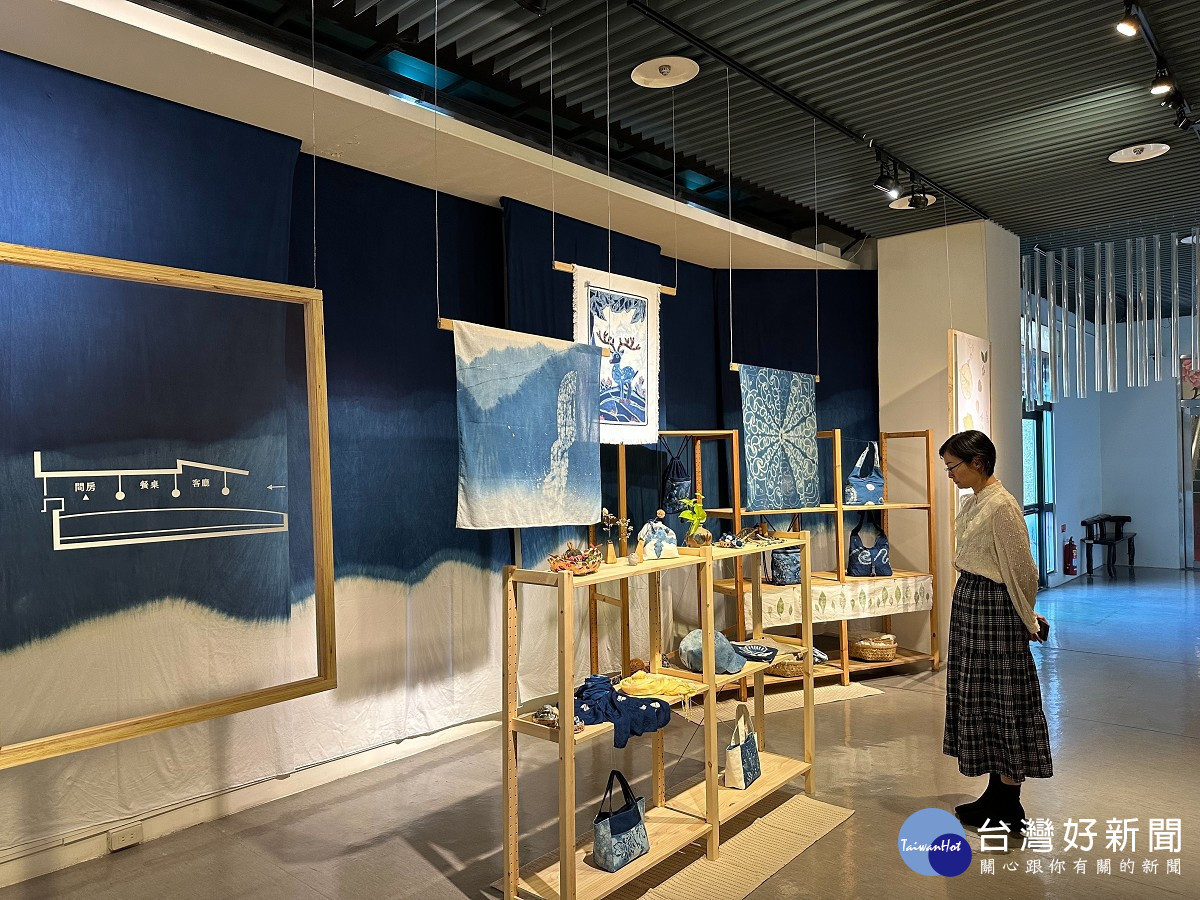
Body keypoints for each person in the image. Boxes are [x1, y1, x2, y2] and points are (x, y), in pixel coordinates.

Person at [940, 429, 1052, 832]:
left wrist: (1028, 617)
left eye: (953, 466)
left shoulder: (1002, 506)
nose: (950, 474)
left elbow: (1022, 569)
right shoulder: (975, 502)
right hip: (972, 605)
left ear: (978, 463)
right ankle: (994, 793)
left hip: (994, 609)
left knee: (1005, 698)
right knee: (982, 697)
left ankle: (1009, 802)